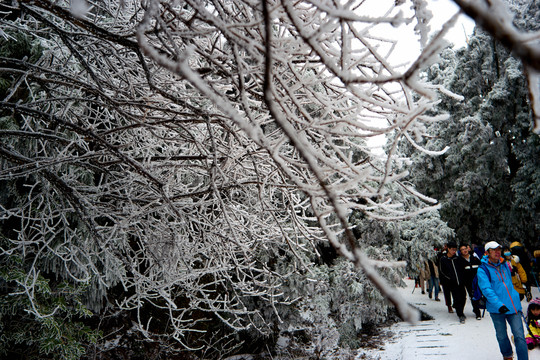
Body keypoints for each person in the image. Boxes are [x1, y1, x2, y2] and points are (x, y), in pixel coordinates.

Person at [478, 241, 529, 360]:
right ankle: (507, 356)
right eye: (494, 250)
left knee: (519, 336)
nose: (497, 252)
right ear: (487, 252)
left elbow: (513, 278)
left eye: (499, 249)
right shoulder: (483, 269)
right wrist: (499, 305)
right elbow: (486, 289)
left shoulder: (505, 264)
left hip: (513, 306)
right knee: (502, 336)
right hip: (497, 309)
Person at [439, 242, 467, 323]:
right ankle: (460, 314)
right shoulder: (443, 259)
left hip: (461, 282)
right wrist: (449, 279)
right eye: (452, 249)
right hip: (452, 283)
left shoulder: (458, 259)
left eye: (455, 250)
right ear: (448, 249)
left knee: (463, 297)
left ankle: (460, 309)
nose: (454, 251)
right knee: (457, 298)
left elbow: (464, 267)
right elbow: (442, 271)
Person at [459, 243, 482, 319]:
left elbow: (481, 267)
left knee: (474, 296)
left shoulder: (474, 258)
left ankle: (477, 311)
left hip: (475, 281)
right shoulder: (459, 260)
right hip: (465, 282)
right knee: (464, 297)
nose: (464, 251)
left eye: (465, 248)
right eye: (462, 250)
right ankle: (460, 312)